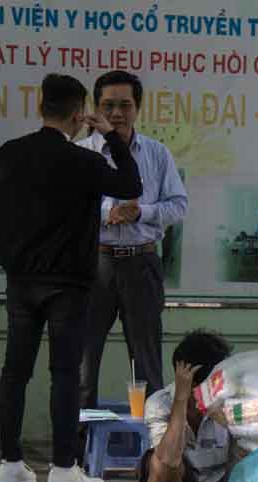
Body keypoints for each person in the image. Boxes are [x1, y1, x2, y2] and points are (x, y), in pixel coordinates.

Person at [0, 73, 142, 482]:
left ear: (40, 107)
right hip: (68, 284)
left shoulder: (8, 154)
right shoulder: (84, 162)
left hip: (20, 281)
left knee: (14, 371)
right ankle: (63, 470)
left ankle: (9, 464)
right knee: (65, 373)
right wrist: (111, 138)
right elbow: (131, 186)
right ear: (78, 115)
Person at [78, 71, 188, 411]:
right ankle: (74, 455)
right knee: (82, 359)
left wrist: (140, 212)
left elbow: (178, 205)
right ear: (95, 108)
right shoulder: (80, 154)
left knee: (146, 362)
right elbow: (69, 205)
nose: (116, 114)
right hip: (93, 264)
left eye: (125, 105)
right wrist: (110, 209)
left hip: (142, 263)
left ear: (137, 108)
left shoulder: (156, 153)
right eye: (108, 105)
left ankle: (151, 453)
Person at [128, 330, 235, 482]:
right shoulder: (160, 403)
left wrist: (224, 418)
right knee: (158, 462)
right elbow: (167, 459)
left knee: (246, 453)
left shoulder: (228, 401)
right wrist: (181, 401)